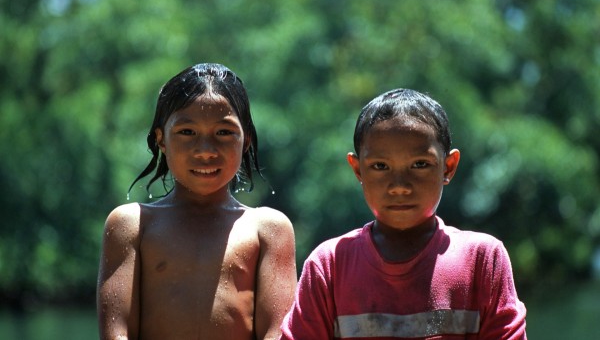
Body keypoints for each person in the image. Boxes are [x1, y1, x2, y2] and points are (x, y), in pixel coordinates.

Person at [279, 88, 527, 339]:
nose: (399, 186)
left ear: (448, 167)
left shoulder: (483, 260)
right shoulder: (329, 265)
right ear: (357, 170)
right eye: (380, 166)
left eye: (420, 164)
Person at [97, 63, 297, 340]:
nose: (205, 151)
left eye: (224, 132)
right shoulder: (133, 225)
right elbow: (116, 334)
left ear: (246, 140)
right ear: (161, 140)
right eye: (187, 132)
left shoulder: (268, 229)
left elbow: (276, 334)